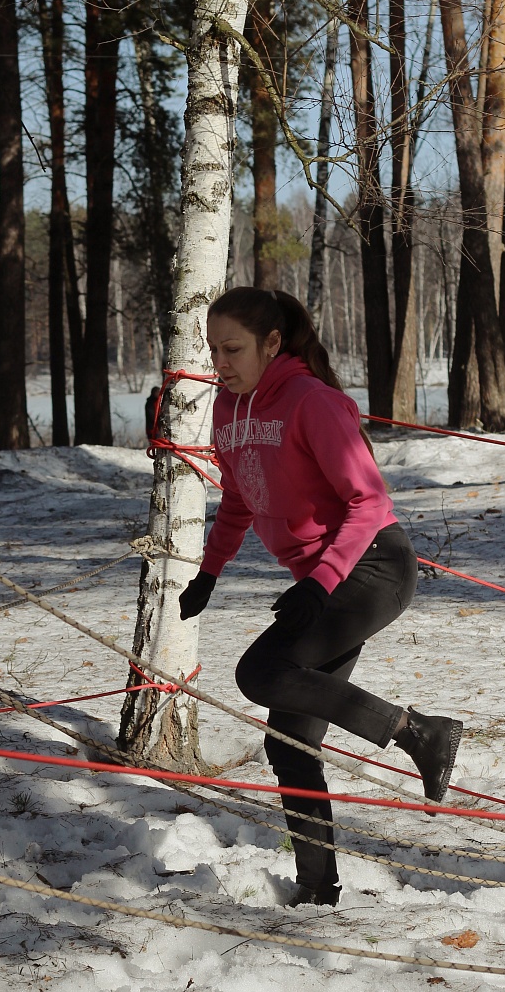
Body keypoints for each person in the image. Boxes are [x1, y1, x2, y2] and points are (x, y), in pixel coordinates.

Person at [178, 287, 462, 908]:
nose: (219, 362)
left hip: (373, 568)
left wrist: (320, 580)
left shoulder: (314, 402)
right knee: (290, 743)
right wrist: (209, 573)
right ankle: (317, 889)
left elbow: (369, 503)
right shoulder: (229, 411)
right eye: (212, 349)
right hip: (326, 579)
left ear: (272, 343)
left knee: (261, 670)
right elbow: (238, 497)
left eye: (232, 349)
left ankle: (419, 732)